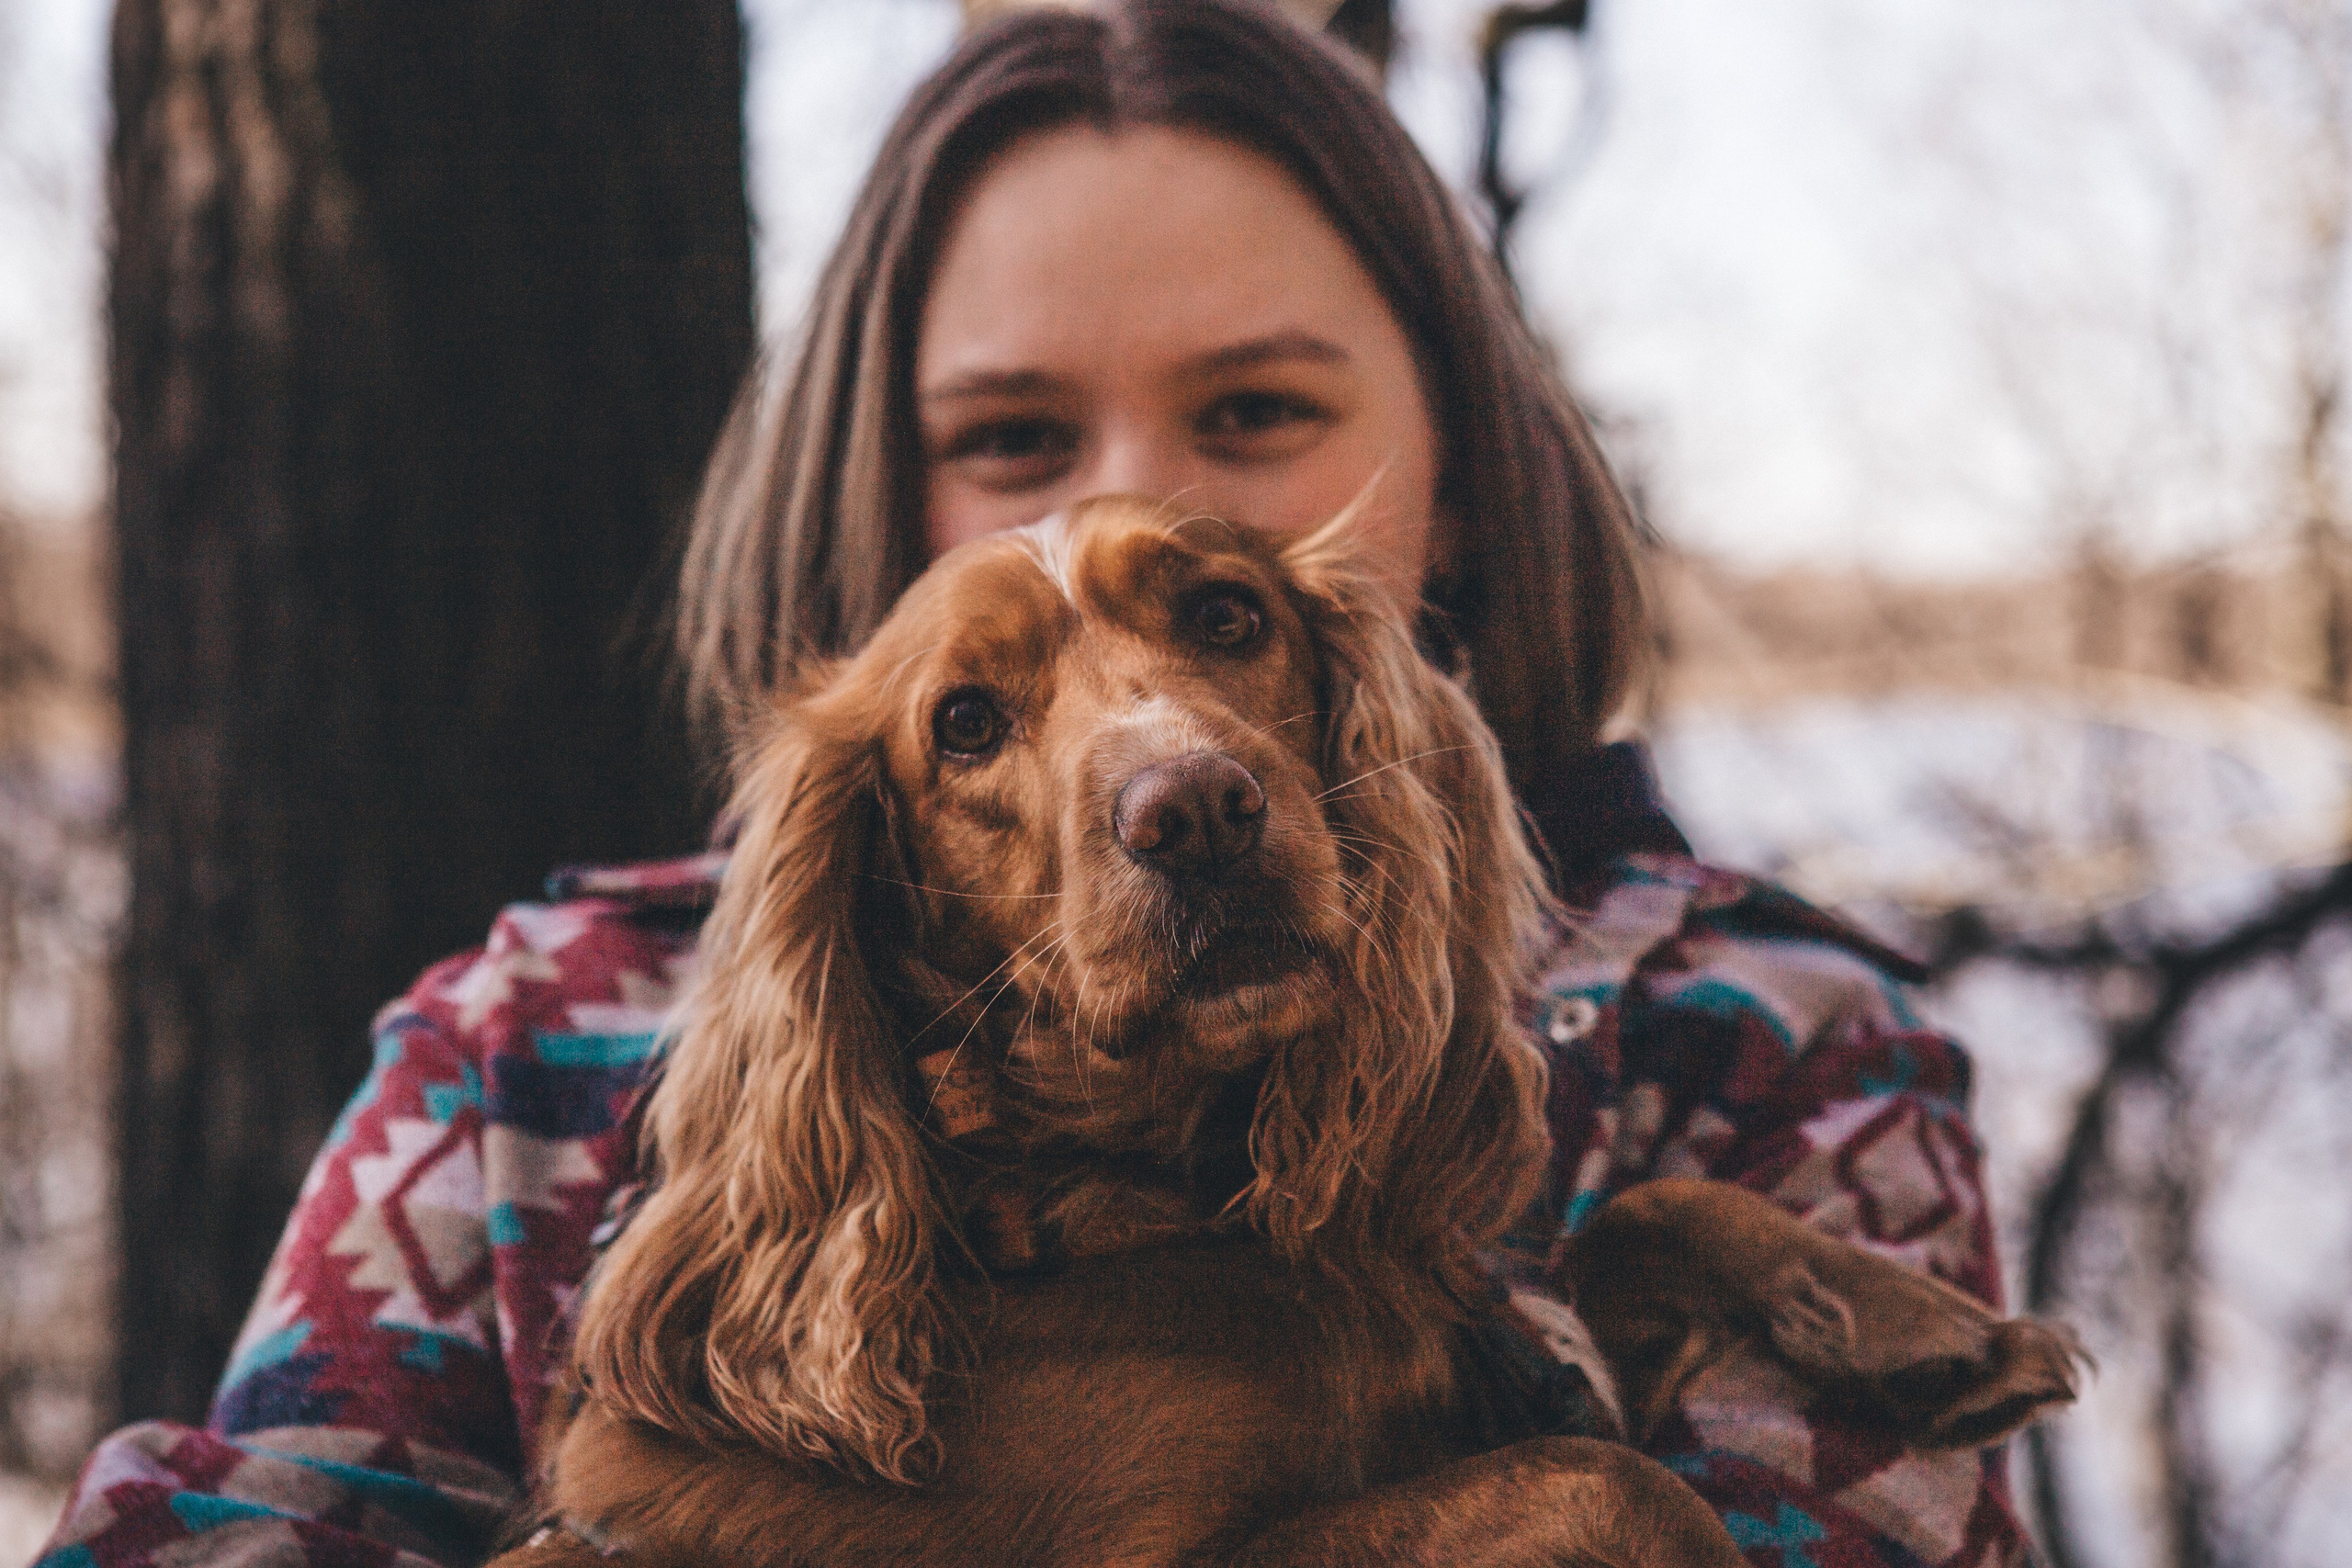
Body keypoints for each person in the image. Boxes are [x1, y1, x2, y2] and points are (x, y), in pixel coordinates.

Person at [40, 4, 2029, 1564]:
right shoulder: (520, 1050)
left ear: (1466, 470)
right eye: (1009, 439)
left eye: (1254, 412)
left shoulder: (1783, 1049)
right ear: (874, 501)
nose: (1124, 500)